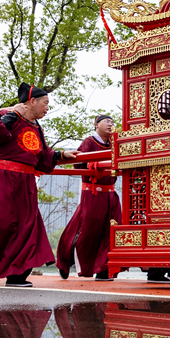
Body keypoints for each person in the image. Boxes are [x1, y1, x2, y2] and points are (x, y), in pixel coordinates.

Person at [0, 84, 79, 287]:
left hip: (26, 183)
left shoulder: (36, 126)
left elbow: (41, 157)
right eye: (45, 103)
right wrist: (13, 114)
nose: (47, 108)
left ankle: (17, 275)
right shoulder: (7, 115)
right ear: (31, 101)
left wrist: (60, 155)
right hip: (2, 179)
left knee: (27, 227)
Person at [56, 114, 120, 281]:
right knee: (87, 231)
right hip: (92, 192)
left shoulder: (115, 144)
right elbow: (79, 163)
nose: (110, 124)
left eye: (112, 122)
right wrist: (95, 164)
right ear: (96, 125)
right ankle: (67, 259)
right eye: (107, 121)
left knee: (112, 231)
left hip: (111, 193)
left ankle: (104, 269)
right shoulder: (89, 142)